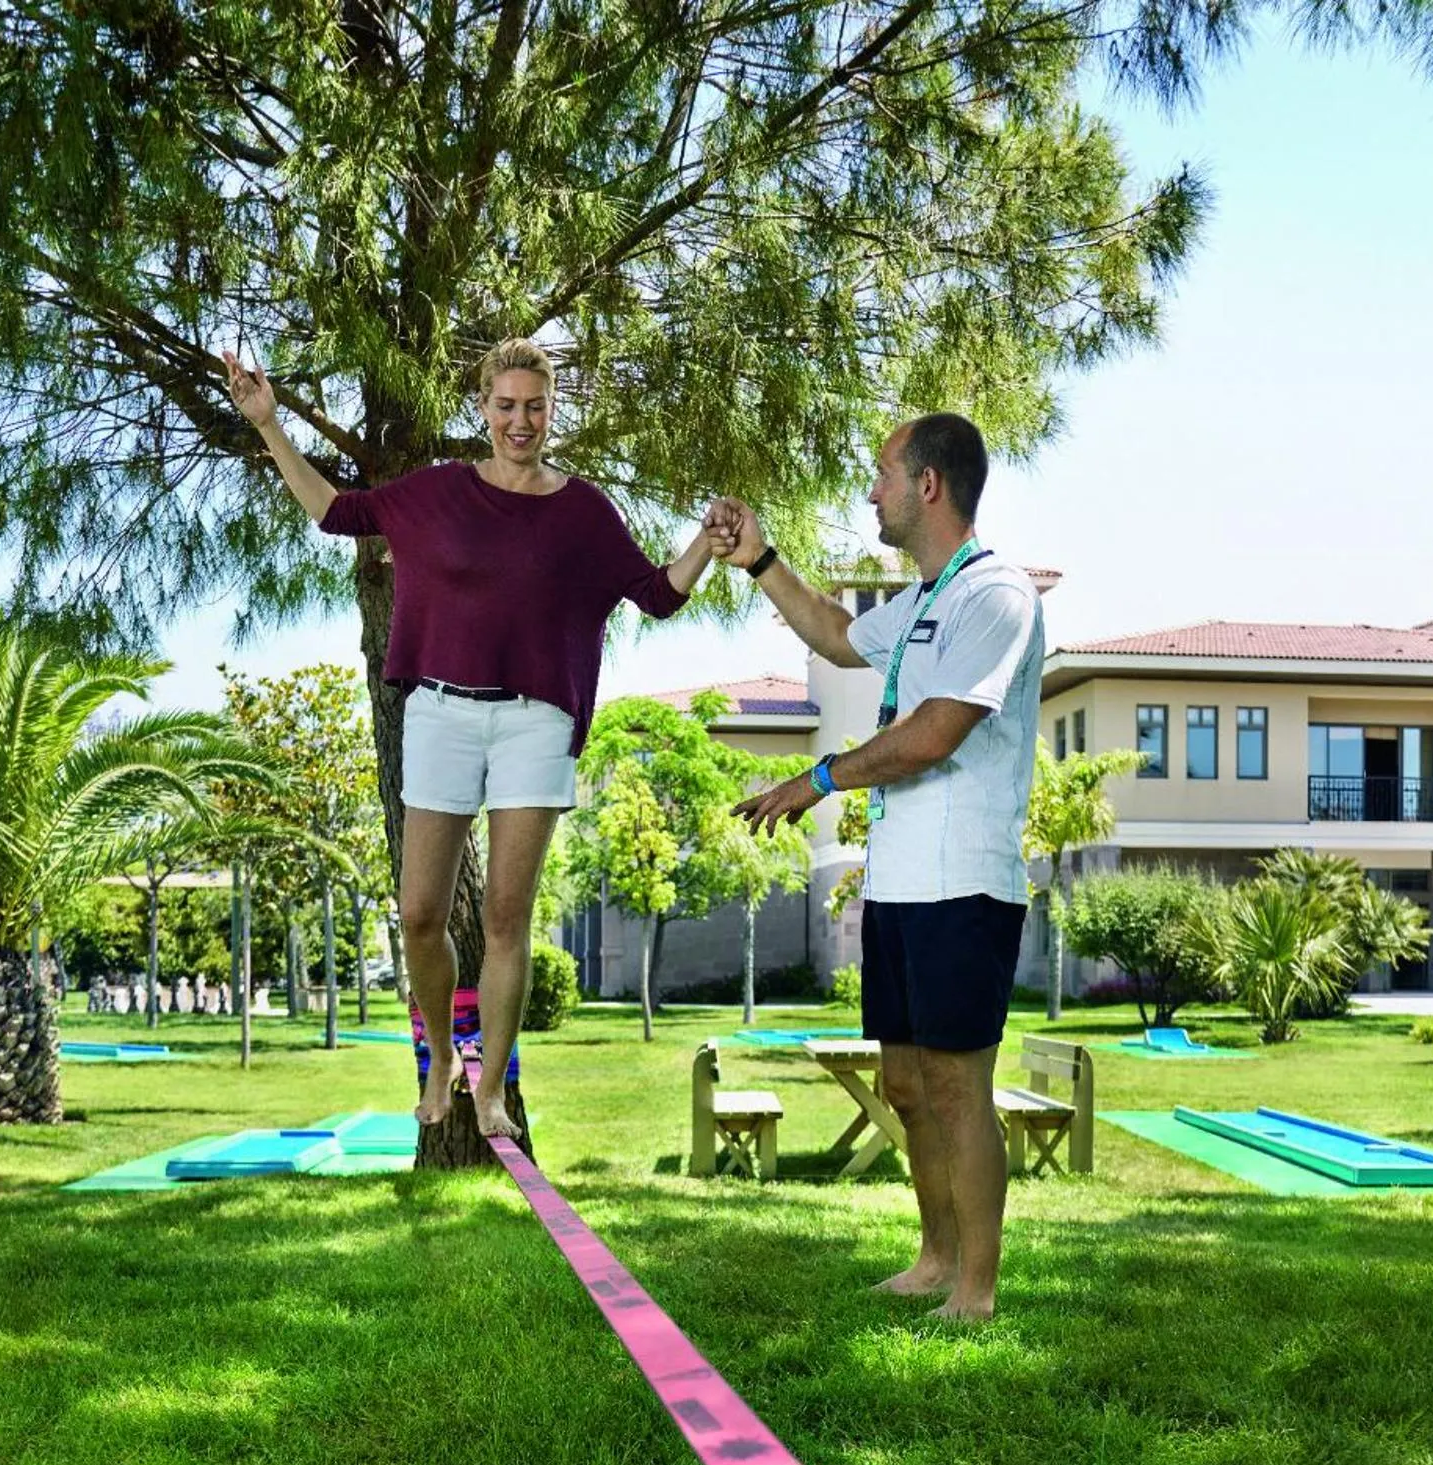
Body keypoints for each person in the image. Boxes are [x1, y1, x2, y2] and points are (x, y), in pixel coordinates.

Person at [225, 337, 725, 1138]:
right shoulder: (434, 494)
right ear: (482, 407)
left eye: (535, 406)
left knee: (503, 914)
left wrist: (706, 541)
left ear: (552, 410)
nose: (519, 421)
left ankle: (490, 1087)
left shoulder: (585, 511)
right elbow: (333, 510)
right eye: (505, 405)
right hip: (441, 713)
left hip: (535, 718)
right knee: (421, 913)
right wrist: (269, 423)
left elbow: (656, 595)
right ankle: (442, 1057)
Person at [721, 415, 1044, 1321]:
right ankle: (935, 1258)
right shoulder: (922, 599)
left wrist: (817, 776)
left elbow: (937, 732)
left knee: (956, 1083)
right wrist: (759, 559)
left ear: (928, 485)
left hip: (966, 882)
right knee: (904, 1082)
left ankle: (977, 1289)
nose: (872, 492)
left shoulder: (997, 596)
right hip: (900, 884)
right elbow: (831, 631)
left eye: (881, 475)